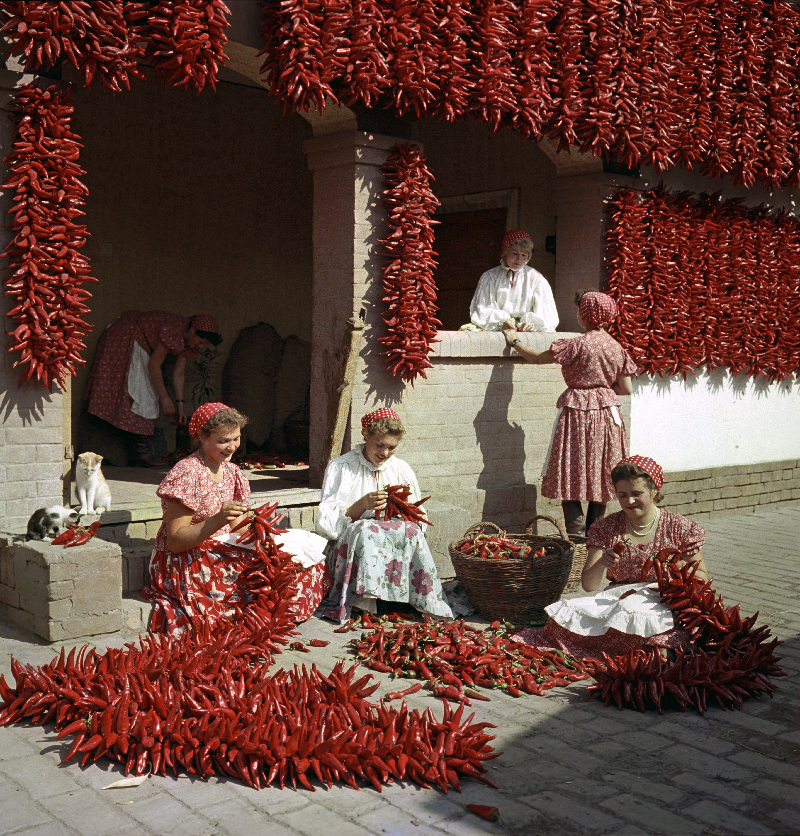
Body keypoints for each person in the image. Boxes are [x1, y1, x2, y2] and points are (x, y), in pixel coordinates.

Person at [143, 402, 328, 636]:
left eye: (236, 438)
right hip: (186, 557)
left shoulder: (231, 471)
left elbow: (236, 528)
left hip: (220, 544)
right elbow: (176, 541)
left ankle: (276, 620)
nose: (232, 447)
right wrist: (218, 520)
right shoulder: (187, 473)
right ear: (201, 436)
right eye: (223, 441)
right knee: (244, 581)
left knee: (288, 561)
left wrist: (260, 531)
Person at [512, 456, 708, 658]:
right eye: (622, 495)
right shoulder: (606, 528)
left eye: (637, 494)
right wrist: (602, 563)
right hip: (619, 600)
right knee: (559, 623)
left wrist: (679, 569)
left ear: (654, 490)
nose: (629, 501)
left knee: (674, 627)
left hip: (664, 601)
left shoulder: (681, 528)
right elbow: (589, 585)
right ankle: (649, 651)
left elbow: (702, 575)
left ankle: (646, 648)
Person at [504, 290, 637, 536]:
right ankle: (595, 534)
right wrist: (601, 384)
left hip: (577, 411)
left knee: (570, 467)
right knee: (602, 469)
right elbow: (625, 388)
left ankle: (575, 536)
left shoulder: (576, 345)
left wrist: (513, 340)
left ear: (585, 315)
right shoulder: (618, 348)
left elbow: (536, 358)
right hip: (608, 413)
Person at [315, 408, 454, 623]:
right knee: (366, 529)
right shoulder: (341, 467)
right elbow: (327, 526)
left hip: (388, 546)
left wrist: (402, 514)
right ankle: (364, 600)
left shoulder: (401, 469)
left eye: (392, 447)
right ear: (365, 436)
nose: (385, 453)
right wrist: (361, 505)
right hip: (347, 548)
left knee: (410, 530)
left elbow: (418, 516)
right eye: (379, 445)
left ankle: (405, 600)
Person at [85, 310, 223, 466]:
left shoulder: (187, 340)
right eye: (200, 341)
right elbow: (154, 365)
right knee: (143, 395)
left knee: (142, 394)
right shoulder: (174, 331)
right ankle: (141, 454)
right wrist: (165, 398)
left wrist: (180, 406)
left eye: (204, 344)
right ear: (192, 331)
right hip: (127, 337)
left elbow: (179, 374)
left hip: (138, 342)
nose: (200, 346)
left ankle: (138, 454)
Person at [469, 229, 558, 332]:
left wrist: (532, 325)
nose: (519, 260)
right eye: (515, 253)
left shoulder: (536, 278)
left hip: (526, 331)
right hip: (497, 330)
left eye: (523, 255)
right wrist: (503, 323)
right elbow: (483, 309)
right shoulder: (490, 277)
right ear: (505, 252)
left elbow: (547, 314)